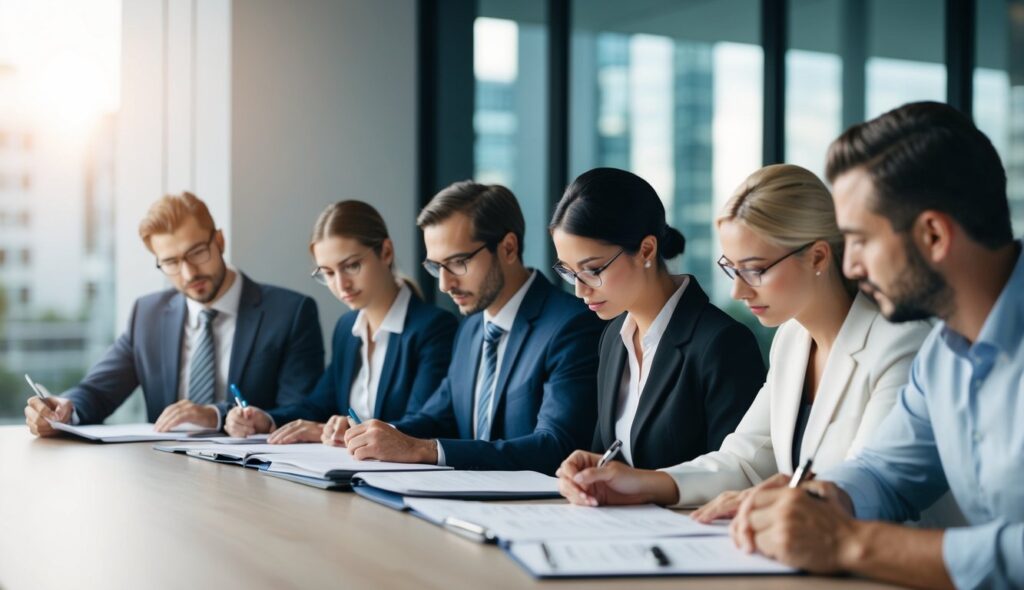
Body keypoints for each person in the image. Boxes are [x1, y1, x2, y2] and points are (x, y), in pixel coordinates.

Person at [730, 101, 1024, 590]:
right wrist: (819, 502)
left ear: (932, 235)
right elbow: (884, 473)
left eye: (860, 241)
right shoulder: (942, 356)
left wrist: (848, 543)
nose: (850, 267)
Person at [554, 165, 931, 520]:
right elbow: (745, 461)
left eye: (754, 269)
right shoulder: (793, 340)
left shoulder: (899, 345)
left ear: (817, 256)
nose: (737, 290)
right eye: (731, 269)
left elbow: (873, 489)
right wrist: (637, 482)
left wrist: (764, 503)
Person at [340, 181, 603, 475]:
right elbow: (438, 417)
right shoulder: (471, 329)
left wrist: (422, 450)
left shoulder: (570, 326)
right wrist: (372, 434)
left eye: (457, 263)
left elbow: (556, 446)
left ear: (508, 247)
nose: (444, 284)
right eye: (436, 267)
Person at [24, 191, 324, 435]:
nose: (189, 272)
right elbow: (98, 391)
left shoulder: (290, 313)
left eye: (197, 253)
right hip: (167, 478)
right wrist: (62, 408)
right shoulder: (148, 314)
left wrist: (217, 415)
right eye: (170, 262)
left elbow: (302, 412)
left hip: (256, 482)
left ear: (219, 241)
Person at [550, 167, 764, 483]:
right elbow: (614, 454)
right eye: (569, 272)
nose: (580, 289)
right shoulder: (613, 336)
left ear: (646, 250)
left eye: (593, 269)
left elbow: (736, 475)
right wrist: (592, 470)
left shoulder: (721, 343)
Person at [224, 201, 458, 442]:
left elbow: (427, 425)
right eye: (328, 273)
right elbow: (316, 407)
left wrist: (346, 432)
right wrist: (266, 420)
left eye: (352, 266)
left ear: (386, 252)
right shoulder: (347, 328)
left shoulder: (434, 328)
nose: (341, 284)